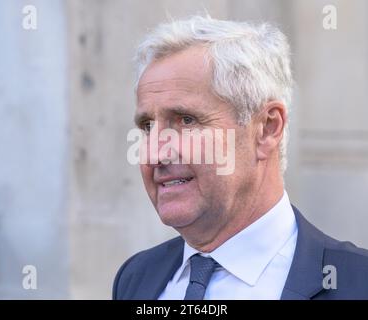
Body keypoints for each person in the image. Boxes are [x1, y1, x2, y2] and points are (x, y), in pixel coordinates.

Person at [113, 16, 368, 300]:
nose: (154, 153)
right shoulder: (136, 278)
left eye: (186, 120)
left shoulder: (357, 283)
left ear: (267, 129)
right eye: (147, 126)